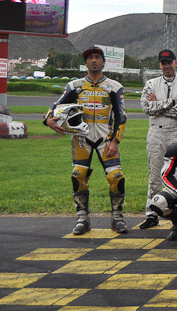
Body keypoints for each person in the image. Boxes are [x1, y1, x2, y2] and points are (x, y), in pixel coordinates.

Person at [44, 47, 128, 234]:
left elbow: (121, 116)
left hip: (106, 138)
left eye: (97, 57)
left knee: (116, 177)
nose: (94, 61)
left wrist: (115, 141)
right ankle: (82, 218)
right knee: (78, 175)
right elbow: (57, 106)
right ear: (86, 63)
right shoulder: (75, 86)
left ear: (103, 61)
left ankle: (117, 218)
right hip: (81, 138)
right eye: (90, 58)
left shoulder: (114, 87)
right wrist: (48, 119)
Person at [139, 49, 177, 229]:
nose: (167, 66)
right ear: (160, 65)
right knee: (155, 174)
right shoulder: (151, 84)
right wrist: (170, 102)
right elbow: (146, 108)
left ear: (176, 63)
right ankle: (151, 213)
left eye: (170, 62)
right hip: (156, 132)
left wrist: (158, 104)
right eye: (163, 63)